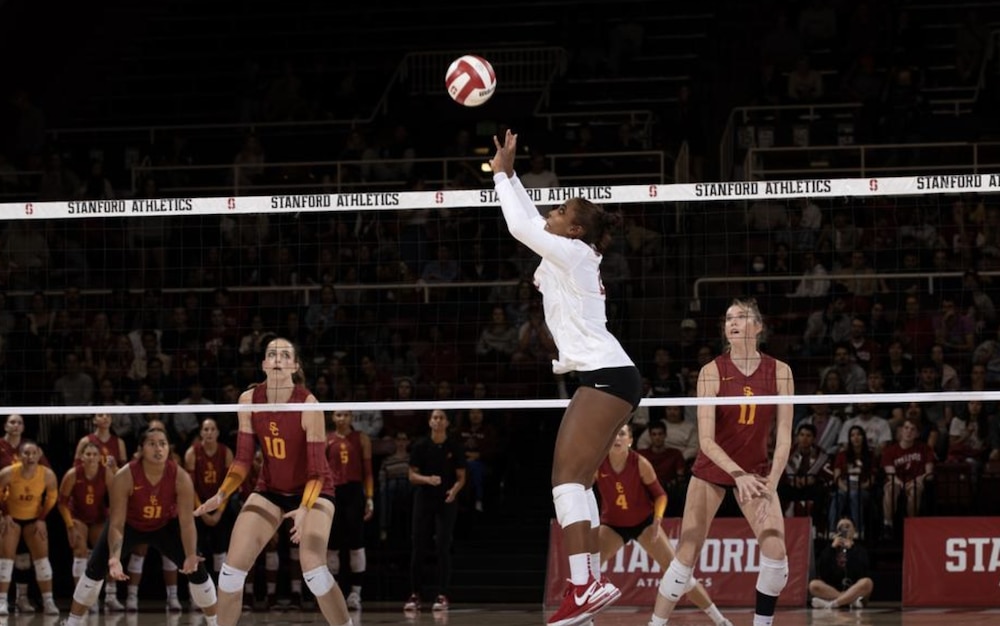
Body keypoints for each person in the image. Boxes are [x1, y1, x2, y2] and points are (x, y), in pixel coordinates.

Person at [492, 129, 642, 626]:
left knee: (564, 483)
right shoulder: (567, 254)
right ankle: (588, 582)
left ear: (574, 231)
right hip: (607, 375)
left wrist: (499, 178)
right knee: (575, 484)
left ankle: (584, 585)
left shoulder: (574, 254)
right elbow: (530, 220)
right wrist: (510, 174)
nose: (549, 215)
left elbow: (520, 227)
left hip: (604, 375)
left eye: (559, 213)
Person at [651, 297, 793, 626]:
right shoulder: (711, 371)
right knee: (686, 551)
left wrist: (770, 483)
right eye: (729, 317)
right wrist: (737, 474)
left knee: (777, 554)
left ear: (758, 327)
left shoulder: (780, 371)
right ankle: (655, 624)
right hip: (713, 470)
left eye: (741, 317)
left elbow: (784, 437)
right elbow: (706, 441)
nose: (733, 322)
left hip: (757, 473)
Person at [194, 337, 352, 626]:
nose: (278, 359)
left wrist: (304, 510)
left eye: (285, 355)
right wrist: (222, 494)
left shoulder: (309, 404)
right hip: (270, 489)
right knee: (230, 573)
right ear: (264, 364)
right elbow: (242, 460)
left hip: (313, 491)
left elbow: (317, 471)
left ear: (294, 365)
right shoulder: (248, 400)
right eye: (272, 354)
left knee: (314, 571)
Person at [63, 427, 219, 626]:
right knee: (95, 567)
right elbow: (117, 523)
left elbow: (187, 523)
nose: (158, 448)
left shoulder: (180, 477)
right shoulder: (125, 475)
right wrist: (114, 558)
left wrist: (189, 555)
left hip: (165, 525)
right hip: (130, 524)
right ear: (140, 449)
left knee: (198, 568)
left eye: (162, 443)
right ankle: (72, 622)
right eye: (152, 443)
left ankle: (215, 623)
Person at [595, 424, 732, 626]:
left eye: (622, 434)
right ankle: (580, 619)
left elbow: (660, 495)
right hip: (612, 525)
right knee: (587, 569)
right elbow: (583, 489)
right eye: (613, 434)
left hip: (645, 524)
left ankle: (719, 620)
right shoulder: (598, 464)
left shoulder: (640, 463)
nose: (617, 438)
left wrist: (658, 518)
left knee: (681, 576)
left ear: (630, 440)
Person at [403, 409, 466, 613]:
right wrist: (428, 480)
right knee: (418, 546)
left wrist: (454, 491)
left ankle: (442, 594)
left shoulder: (453, 446)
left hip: (446, 500)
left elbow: (461, 477)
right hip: (424, 499)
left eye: (441, 418)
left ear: (447, 422)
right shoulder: (421, 445)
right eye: (434, 418)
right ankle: (415, 595)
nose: (438, 421)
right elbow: (411, 475)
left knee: (442, 546)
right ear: (430, 422)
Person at [0, 440, 60, 615]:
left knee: (42, 562)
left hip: (34, 519)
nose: (30, 457)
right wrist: (5, 513)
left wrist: (42, 519)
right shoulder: (8, 473)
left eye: (34, 453)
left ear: (39, 454)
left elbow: (51, 498)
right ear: (19, 456)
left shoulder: (47, 475)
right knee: (5, 561)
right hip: (12, 519)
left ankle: (48, 601)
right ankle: (2, 601)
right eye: (26, 453)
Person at [58, 440, 119, 611]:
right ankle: (82, 599)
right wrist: (70, 527)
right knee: (80, 551)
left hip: (98, 518)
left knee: (107, 551)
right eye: (88, 454)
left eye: (95, 454)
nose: (91, 458)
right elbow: (62, 503)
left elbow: (117, 496)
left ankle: (110, 596)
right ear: (81, 457)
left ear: (100, 457)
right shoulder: (73, 474)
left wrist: (114, 520)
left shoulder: (105, 473)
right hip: (78, 517)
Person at [326, 410, 374, 611]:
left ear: (351, 418)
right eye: (338, 415)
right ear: (333, 418)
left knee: (356, 543)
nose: (342, 418)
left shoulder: (361, 438)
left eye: (346, 415)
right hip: (333, 491)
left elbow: (368, 472)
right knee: (332, 544)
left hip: (354, 491)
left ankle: (356, 593)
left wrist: (370, 498)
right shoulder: (327, 440)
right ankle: (334, 591)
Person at [183, 418, 235, 581]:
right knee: (199, 549)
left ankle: (221, 588)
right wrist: (202, 512)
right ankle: (199, 588)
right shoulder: (192, 453)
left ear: (218, 432)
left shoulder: (226, 452)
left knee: (221, 549)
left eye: (212, 429)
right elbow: (190, 488)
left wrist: (219, 512)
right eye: (206, 429)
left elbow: (229, 486)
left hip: (220, 504)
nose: (209, 433)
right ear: (201, 433)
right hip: (198, 505)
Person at [879, 417, 935, 540]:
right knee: (891, 488)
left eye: (912, 429)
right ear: (900, 431)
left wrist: (919, 479)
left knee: (915, 489)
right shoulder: (890, 451)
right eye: (906, 428)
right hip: (897, 481)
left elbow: (929, 473)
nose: (909, 432)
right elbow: (890, 474)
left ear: (917, 434)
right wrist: (901, 484)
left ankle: (912, 524)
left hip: (916, 481)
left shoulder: (924, 449)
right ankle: (887, 525)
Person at [808, 517, 873, 610]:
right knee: (813, 585)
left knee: (867, 582)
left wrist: (851, 550)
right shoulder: (830, 549)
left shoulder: (860, 550)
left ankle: (832, 604)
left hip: (855, 590)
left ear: (854, 530)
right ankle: (848, 601)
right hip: (834, 589)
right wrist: (832, 548)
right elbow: (822, 572)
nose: (844, 530)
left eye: (847, 527)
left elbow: (862, 572)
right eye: (841, 527)